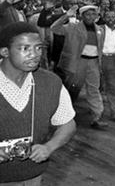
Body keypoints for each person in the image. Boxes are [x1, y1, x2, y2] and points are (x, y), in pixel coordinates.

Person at [0, 22, 76, 184]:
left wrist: (49, 147)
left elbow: (67, 124)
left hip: (33, 176)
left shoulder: (50, 82)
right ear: (5, 51)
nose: (34, 54)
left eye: (38, 48)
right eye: (25, 48)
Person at [51, 5, 108, 129]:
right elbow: (54, 28)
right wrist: (66, 16)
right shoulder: (72, 27)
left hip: (93, 63)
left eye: (93, 14)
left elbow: (100, 48)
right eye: (87, 14)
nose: (91, 17)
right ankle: (63, 115)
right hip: (78, 62)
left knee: (94, 89)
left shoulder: (100, 30)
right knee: (72, 89)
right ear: (82, 16)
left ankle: (97, 116)